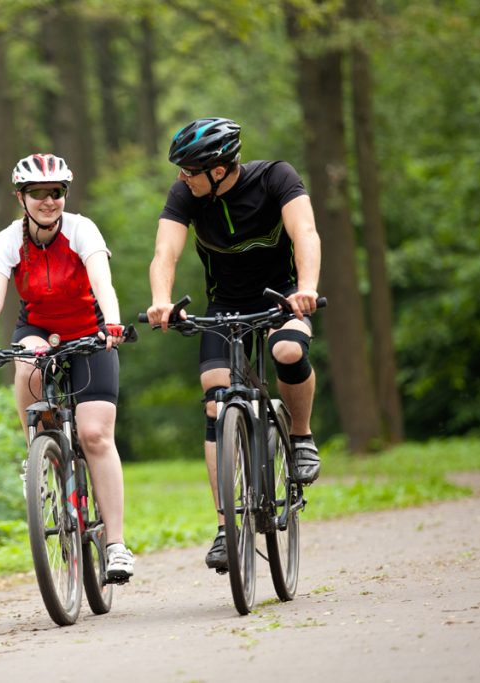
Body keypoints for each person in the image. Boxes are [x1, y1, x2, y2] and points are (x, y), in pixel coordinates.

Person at [145, 117, 322, 573]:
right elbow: (165, 252)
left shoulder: (276, 177)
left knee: (287, 351)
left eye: (190, 170)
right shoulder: (186, 194)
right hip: (224, 305)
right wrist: (162, 301)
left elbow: (305, 232)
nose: (182, 177)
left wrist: (306, 288)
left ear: (219, 170)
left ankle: (301, 437)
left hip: (282, 296)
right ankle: (227, 527)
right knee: (215, 399)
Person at [0, 153, 135, 582]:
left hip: (89, 329)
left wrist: (112, 323)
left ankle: (116, 545)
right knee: (27, 364)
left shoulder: (81, 229)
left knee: (95, 435)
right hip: (39, 327)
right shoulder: (8, 239)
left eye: (55, 192)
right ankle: (36, 454)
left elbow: (102, 280)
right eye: (37, 193)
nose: (48, 200)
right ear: (21, 198)